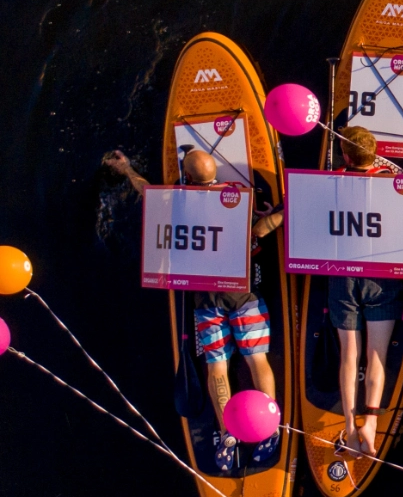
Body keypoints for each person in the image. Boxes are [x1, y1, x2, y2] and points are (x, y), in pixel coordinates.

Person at [103, 146, 284, 472]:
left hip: (206, 304)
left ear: (187, 176)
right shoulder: (238, 199)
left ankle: (228, 434)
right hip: (243, 297)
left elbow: (147, 192)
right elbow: (260, 231)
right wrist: (285, 210)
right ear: (215, 173)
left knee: (217, 368)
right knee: (257, 361)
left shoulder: (176, 201)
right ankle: (269, 429)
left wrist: (127, 169)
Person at [327, 126, 403, 458]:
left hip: (344, 273)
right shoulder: (392, 182)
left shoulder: (331, 182)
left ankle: (348, 426)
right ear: (375, 154)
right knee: (377, 355)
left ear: (345, 157)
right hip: (382, 273)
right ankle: (370, 425)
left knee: (349, 354)